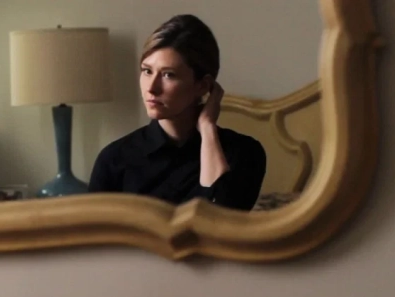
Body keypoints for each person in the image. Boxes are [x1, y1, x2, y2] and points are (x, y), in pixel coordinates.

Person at [88, 14, 266, 210]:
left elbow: (220, 219)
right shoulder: (114, 159)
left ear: (202, 85)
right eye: (147, 71)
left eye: (168, 75)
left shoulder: (244, 153)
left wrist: (207, 128)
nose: (151, 88)